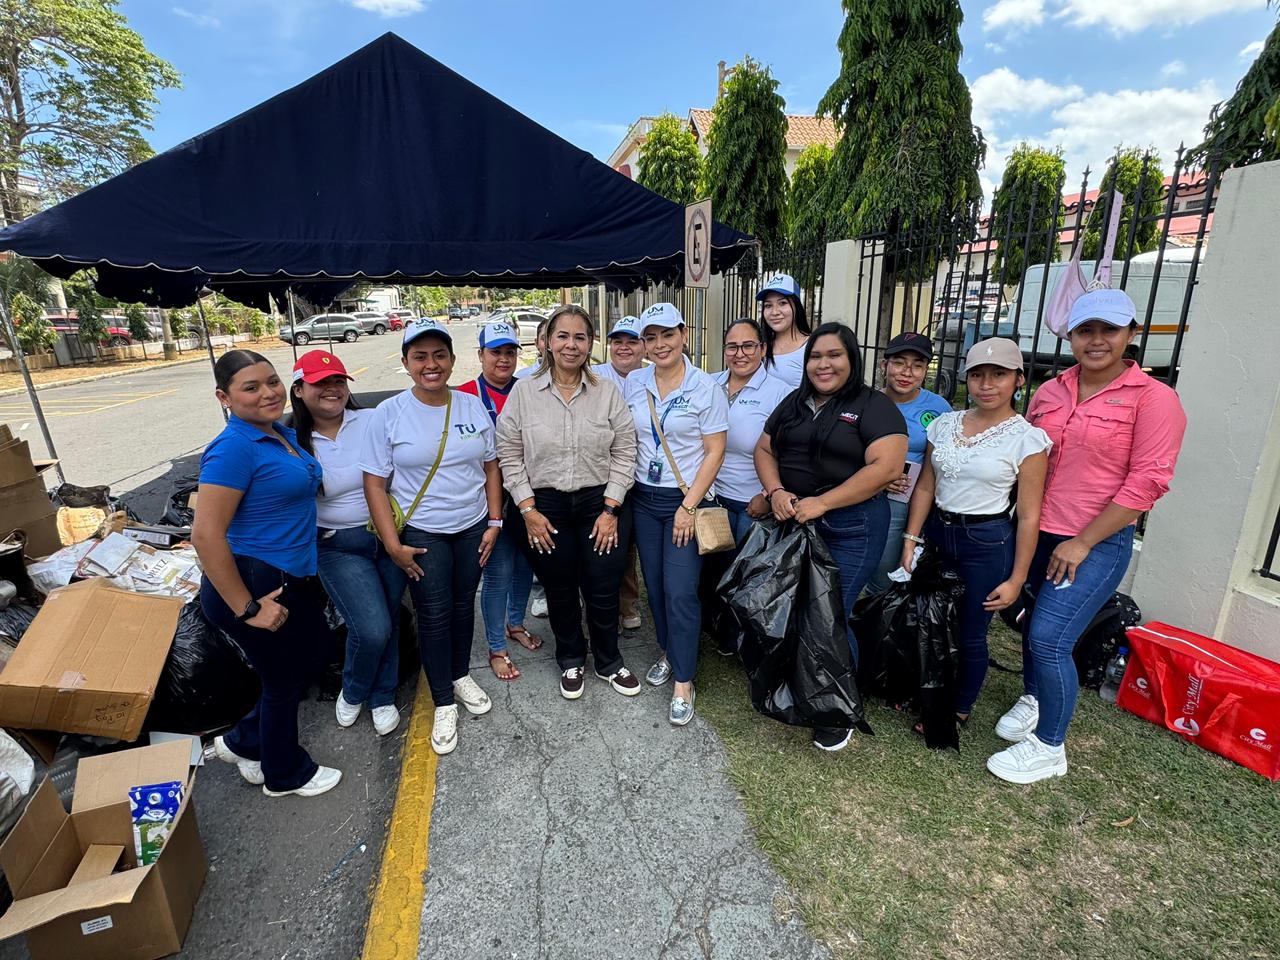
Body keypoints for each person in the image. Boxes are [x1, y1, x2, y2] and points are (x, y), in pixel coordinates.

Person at [987, 290, 1186, 783]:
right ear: (1070, 335)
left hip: (1094, 542)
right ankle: (1034, 697)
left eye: (1109, 330)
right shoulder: (1049, 392)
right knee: (1031, 622)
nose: (1096, 340)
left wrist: (1082, 542)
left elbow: (1148, 483)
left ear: (1131, 335)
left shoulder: (1155, 400)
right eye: (1085, 331)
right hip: (1035, 529)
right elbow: (1024, 457)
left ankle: (1050, 747)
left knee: (1052, 638)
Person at [192, 350, 341, 798]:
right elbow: (205, 535)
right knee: (284, 680)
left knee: (310, 656)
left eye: (272, 382)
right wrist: (248, 607)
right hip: (254, 581)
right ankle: (285, 774)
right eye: (251, 388)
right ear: (224, 397)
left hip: (287, 572)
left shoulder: (276, 432)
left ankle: (243, 742)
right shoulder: (234, 448)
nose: (268, 393)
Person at [754, 322, 907, 752]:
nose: (824, 364)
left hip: (851, 526)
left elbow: (887, 467)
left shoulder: (873, 405)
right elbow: (764, 450)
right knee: (803, 608)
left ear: (851, 359)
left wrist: (824, 503)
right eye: (816, 357)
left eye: (834, 355)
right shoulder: (795, 402)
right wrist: (776, 491)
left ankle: (837, 709)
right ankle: (807, 684)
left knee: (831, 614)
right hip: (795, 520)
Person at [361, 318, 504, 757]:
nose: (431, 364)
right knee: (435, 613)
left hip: (472, 526)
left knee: (464, 606)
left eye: (439, 355)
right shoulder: (389, 413)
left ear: (452, 359)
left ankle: (459, 675)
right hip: (424, 534)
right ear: (405, 362)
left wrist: (495, 522)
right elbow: (374, 483)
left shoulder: (470, 405)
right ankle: (443, 700)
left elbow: (491, 465)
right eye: (420, 356)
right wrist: (392, 544)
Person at [900, 338, 1051, 728]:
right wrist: (911, 538)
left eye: (998, 375)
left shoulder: (1027, 439)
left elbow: (1030, 515)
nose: (987, 384)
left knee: (970, 628)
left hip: (986, 540)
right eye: (978, 375)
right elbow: (927, 487)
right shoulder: (947, 423)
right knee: (930, 617)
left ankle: (959, 706)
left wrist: (1017, 579)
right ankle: (922, 688)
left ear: (1018, 379)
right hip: (938, 531)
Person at [497, 304, 641, 700]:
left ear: (590, 343)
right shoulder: (525, 392)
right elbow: (508, 451)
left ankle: (609, 661)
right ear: (546, 342)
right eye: (563, 336)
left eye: (580, 337)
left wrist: (612, 508)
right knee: (560, 588)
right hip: (545, 507)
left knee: (602, 585)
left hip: (600, 503)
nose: (571, 345)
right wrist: (527, 509)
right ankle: (571, 659)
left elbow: (626, 449)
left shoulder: (606, 392)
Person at [289, 350, 406, 736]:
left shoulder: (373, 420)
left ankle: (384, 695)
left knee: (387, 620)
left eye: (337, 381)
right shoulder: (289, 440)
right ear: (299, 390)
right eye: (320, 383)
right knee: (371, 627)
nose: (331, 389)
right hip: (337, 546)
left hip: (387, 537)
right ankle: (354, 689)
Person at [625, 302, 728, 726]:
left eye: (667, 334)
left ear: (683, 334)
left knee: (681, 590)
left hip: (686, 500)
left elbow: (715, 451)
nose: (659, 344)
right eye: (651, 337)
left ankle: (684, 681)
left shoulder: (705, 388)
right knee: (655, 586)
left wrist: (689, 507)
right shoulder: (635, 381)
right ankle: (669, 652)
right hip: (644, 500)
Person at [457, 320, 541, 681]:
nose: (504, 359)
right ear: (480, 355)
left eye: (510, 352)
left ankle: (515, 623)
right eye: (495, 352)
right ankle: (496, 647)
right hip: (490, 499)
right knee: (498, 572)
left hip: (529, 496)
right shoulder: (463, 395)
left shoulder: (530, 391)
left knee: (525, 566)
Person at [868, 332, 955, 591]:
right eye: (899, 362)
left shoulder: (939, 408)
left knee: (900, 568)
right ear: (884, 366)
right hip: (868, 497)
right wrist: (879, 476)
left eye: (917, 365)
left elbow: (946, 459)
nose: (907, 372)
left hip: (914, 501)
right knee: (875, 572)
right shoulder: (868, 402)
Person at [592, 314, 647, 629]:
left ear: (643, 346)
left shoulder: (653, 377)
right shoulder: (596, 374)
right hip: (604, 476)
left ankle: (627, 605)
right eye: (617, 341)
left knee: (629, 546)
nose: (624, 348)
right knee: (606, 541)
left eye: (632, 341)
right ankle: (602, 606)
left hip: (644, 477)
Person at [757, 273, 811, 389]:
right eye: (768, 305)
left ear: (796, 306)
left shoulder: (811, 347)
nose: (775, 312)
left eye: (782, 303)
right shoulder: (760, 346)